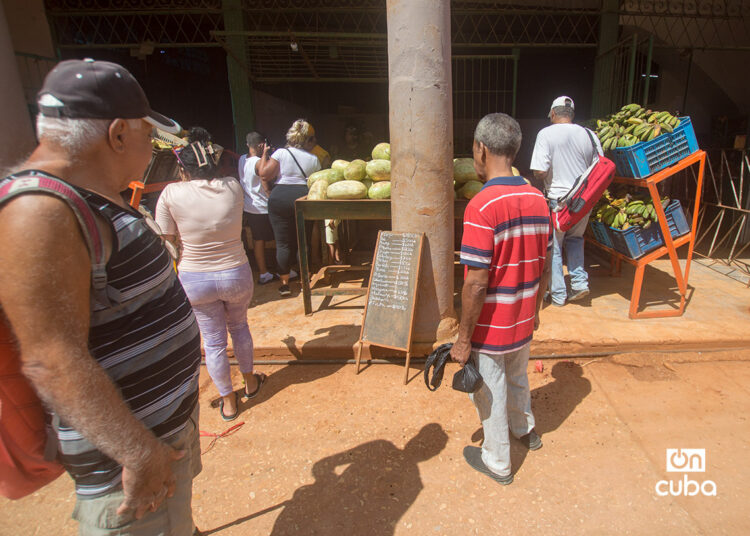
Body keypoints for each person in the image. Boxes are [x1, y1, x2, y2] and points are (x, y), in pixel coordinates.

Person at [0, 59, 202, 534]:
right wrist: (138, 452)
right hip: (128, 465)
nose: (152, 149)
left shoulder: (89, 195)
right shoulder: (40, 211)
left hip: (159, 438)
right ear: (117, 134)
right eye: (147, 136)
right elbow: (51, 357)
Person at [450, 113, 552, 486]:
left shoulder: (482, 205)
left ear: (482, 149)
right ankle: (526, 430)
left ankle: (498, 462)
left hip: (492, 326)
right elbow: (545, 265)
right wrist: (536, 310)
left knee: (490, 389)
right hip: (524, 318)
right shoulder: (539, 200)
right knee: (519, 376)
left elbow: (476, 284)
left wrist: (463, 338)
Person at [156, 128, 266, 422]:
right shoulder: (232, 186)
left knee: (214, 342)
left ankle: (229, 403)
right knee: (240, 327)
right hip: (235, 273)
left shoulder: (171, 193)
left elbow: (166, 240)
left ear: (183, 168)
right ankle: (251, 383)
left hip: (196, 278)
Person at [530, 96, 601, 306]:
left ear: (553, 113)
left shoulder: (546, 133)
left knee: (555, 247)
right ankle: (579, 283)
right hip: (584, 201)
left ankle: (559, 295)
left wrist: (545, 176)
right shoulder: (590, 134)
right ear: (572, 115)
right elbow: (600, 167)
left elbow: (540, 170)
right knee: (576, 239)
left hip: (558, 202)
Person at [257, 119, 322, 296]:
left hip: (279, 197)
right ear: (307, 140)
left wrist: (264, 155)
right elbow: (316, 182)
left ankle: (284, 284)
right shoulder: (314, 158)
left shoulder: (281, 153)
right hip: (303, 198)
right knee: (304, 241)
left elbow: (264, 174)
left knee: (282, 243)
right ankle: (305, 281)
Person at [239, 131, 276, 285]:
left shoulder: (242, 159)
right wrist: (266, 155)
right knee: (279, 238)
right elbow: (265, 178)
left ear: (248, 145)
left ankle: (263, 273)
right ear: (261, 145)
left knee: (257, 240)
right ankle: (283, 270)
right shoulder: (258, 162)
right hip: (263, 207)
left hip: (250, 207)